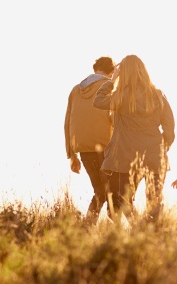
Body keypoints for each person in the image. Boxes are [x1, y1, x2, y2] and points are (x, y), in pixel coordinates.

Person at [93, 55, 175, 224]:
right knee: (155, 201)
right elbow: (169, 128)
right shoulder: (158, 95)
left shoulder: (122, 97)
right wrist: (162, 147)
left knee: (122, 200)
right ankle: (153, 237)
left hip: (128, 158)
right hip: (155, 155)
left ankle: (139, 229)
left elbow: (98, 101)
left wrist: (112, 80)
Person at [64, 56, 115, 226]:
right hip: (107, 147)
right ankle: (118, 234)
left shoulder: (75, 90)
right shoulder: (109, 87)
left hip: (84, 149)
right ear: (111, 71)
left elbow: (67, 123)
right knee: (112, 192)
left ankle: (87, 228)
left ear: (95, 69)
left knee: (101, 191)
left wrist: (72, 155)